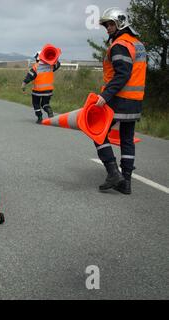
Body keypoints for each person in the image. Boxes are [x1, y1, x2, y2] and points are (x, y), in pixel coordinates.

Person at [93, 7, 147, 195]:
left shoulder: (120, 45)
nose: (107, 28)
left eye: (110, 24)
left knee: (97, 133)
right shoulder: (137, 43)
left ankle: (113, 173)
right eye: (106, 25)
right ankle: (126, 183)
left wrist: (105, 95)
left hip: (118, 99)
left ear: (121, 23)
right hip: (135, 101)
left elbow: (122, 74)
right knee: (126, 140)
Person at [21, 51, 61, 123]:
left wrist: (23, 84)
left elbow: (29, 76)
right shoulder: (51, 66)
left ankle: (40, 118)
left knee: (36, 104)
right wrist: (52, 58)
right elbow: (58, 64)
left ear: (38, 58)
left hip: (37, 91)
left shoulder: (36, 67)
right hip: (48, 90)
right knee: (45, 104)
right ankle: (49, 111)